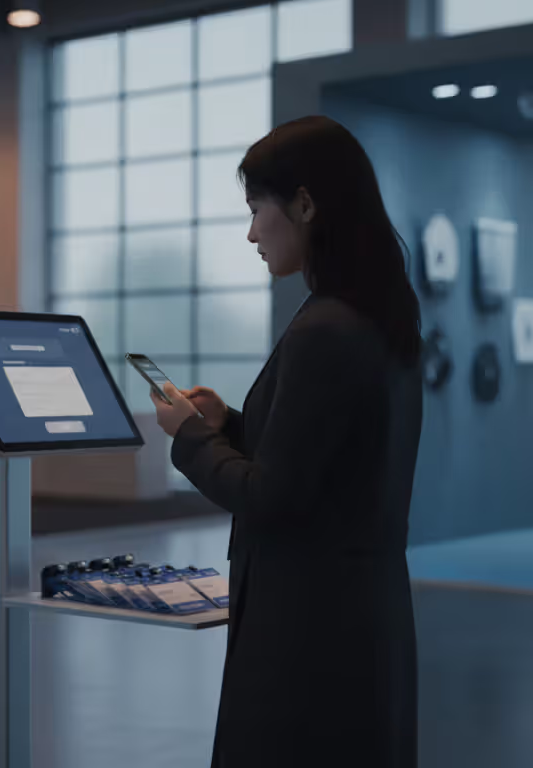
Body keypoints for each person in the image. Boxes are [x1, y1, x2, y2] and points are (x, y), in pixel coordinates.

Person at [150, 116, 422, 768]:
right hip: (362, 622)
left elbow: (270, 496)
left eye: (255, 210)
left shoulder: (324, 328)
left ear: (303, 203)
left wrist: (188, 437)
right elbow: (332, 459)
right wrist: (235, 426)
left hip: (305, 634)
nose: (250, 233)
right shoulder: (380, 311)